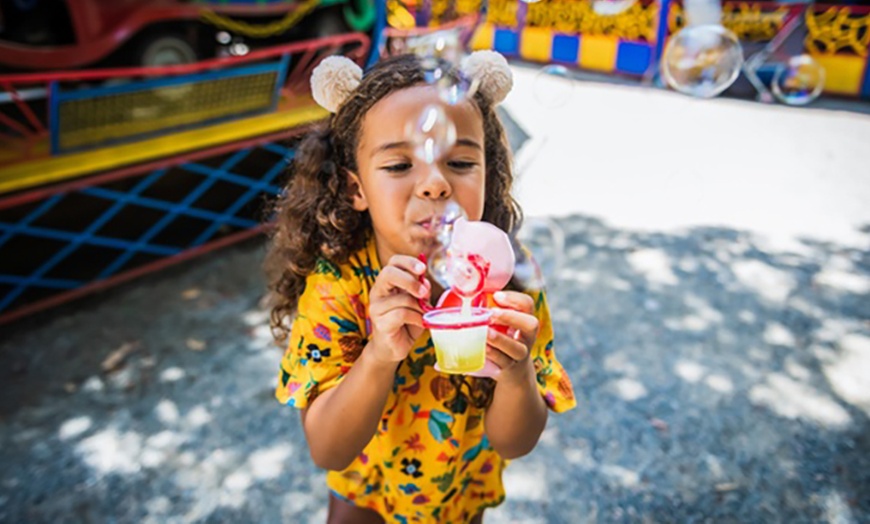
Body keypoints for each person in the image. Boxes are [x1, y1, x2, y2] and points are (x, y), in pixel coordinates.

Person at [266, 51, 576, 523]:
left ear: (487, 172)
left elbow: (516, 442)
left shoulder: (509, 278)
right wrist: (378, 355)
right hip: (366, 496)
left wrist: (515, 375)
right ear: (355, 189)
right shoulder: (339, 285)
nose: (434, 184)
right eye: (398, 166)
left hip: (460, 494)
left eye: (460, 162)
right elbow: (328, 450)